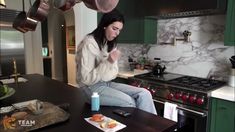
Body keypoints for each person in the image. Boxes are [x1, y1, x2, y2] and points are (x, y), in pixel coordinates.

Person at [75, 9, 157, 115]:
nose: (117, 33)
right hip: (90, 89)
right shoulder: (89, 43)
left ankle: (152, 127)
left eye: (119, 30)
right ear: (104, 25)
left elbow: (112, 74)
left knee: (145, 94)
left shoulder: (110, 44)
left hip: (106, 83)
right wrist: (108, 62)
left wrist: (111, 63)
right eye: (114, 29)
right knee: (130, 102)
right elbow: (86, 79)